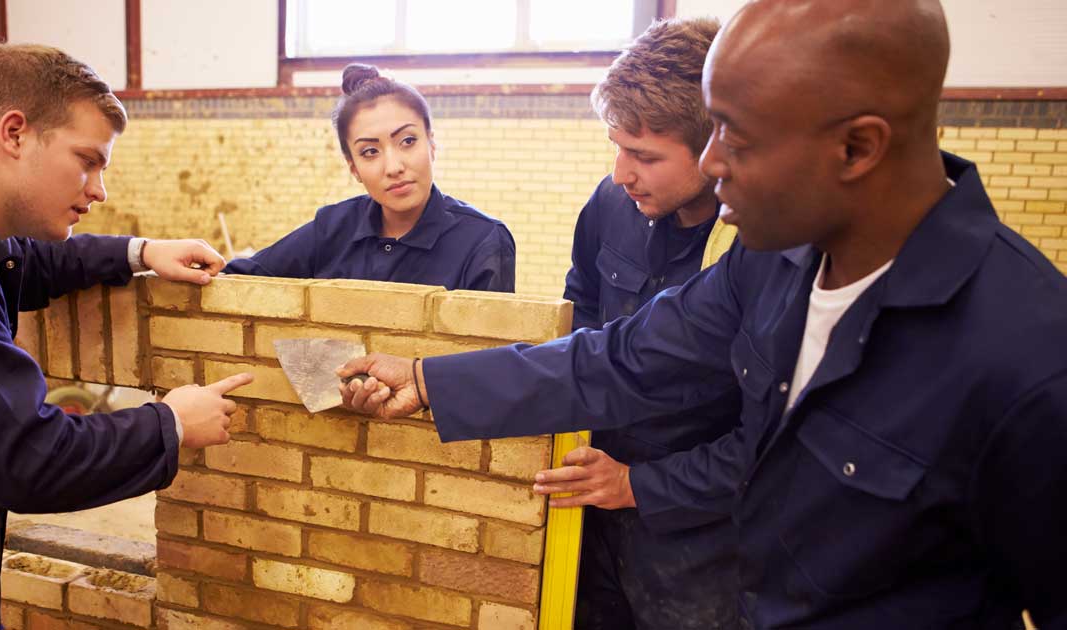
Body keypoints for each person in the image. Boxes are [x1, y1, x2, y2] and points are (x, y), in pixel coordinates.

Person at [339, 1, 1067, 628]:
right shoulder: (770, 263)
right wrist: (430, 380)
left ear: (858, 146)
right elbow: (620, 356)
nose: (712, 164)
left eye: (736, 139)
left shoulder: (1031, 362)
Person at [0, 44, 252, 629]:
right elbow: (27, 458)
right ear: (15, 133)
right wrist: (171, 424)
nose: (99, 190)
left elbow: (21, 263)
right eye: (87, 160)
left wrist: (140, 252)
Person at [556, 17, 743, 630]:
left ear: (716, 146)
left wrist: (640, 484)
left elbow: (770, 439)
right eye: (616, 147)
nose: (620, 173)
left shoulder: (758, 250)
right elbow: (578, 318)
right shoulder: (610, 206)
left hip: (700, 539)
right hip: (592, 510)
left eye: (644, 156)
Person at [224, 63, 516, 292]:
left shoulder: (483, 240)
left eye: (408, 141)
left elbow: (488, 361)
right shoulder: (332, 229)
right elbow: (240, 279)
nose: (393, 167)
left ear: (432, 144)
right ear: (353, 168)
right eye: (370, 152)